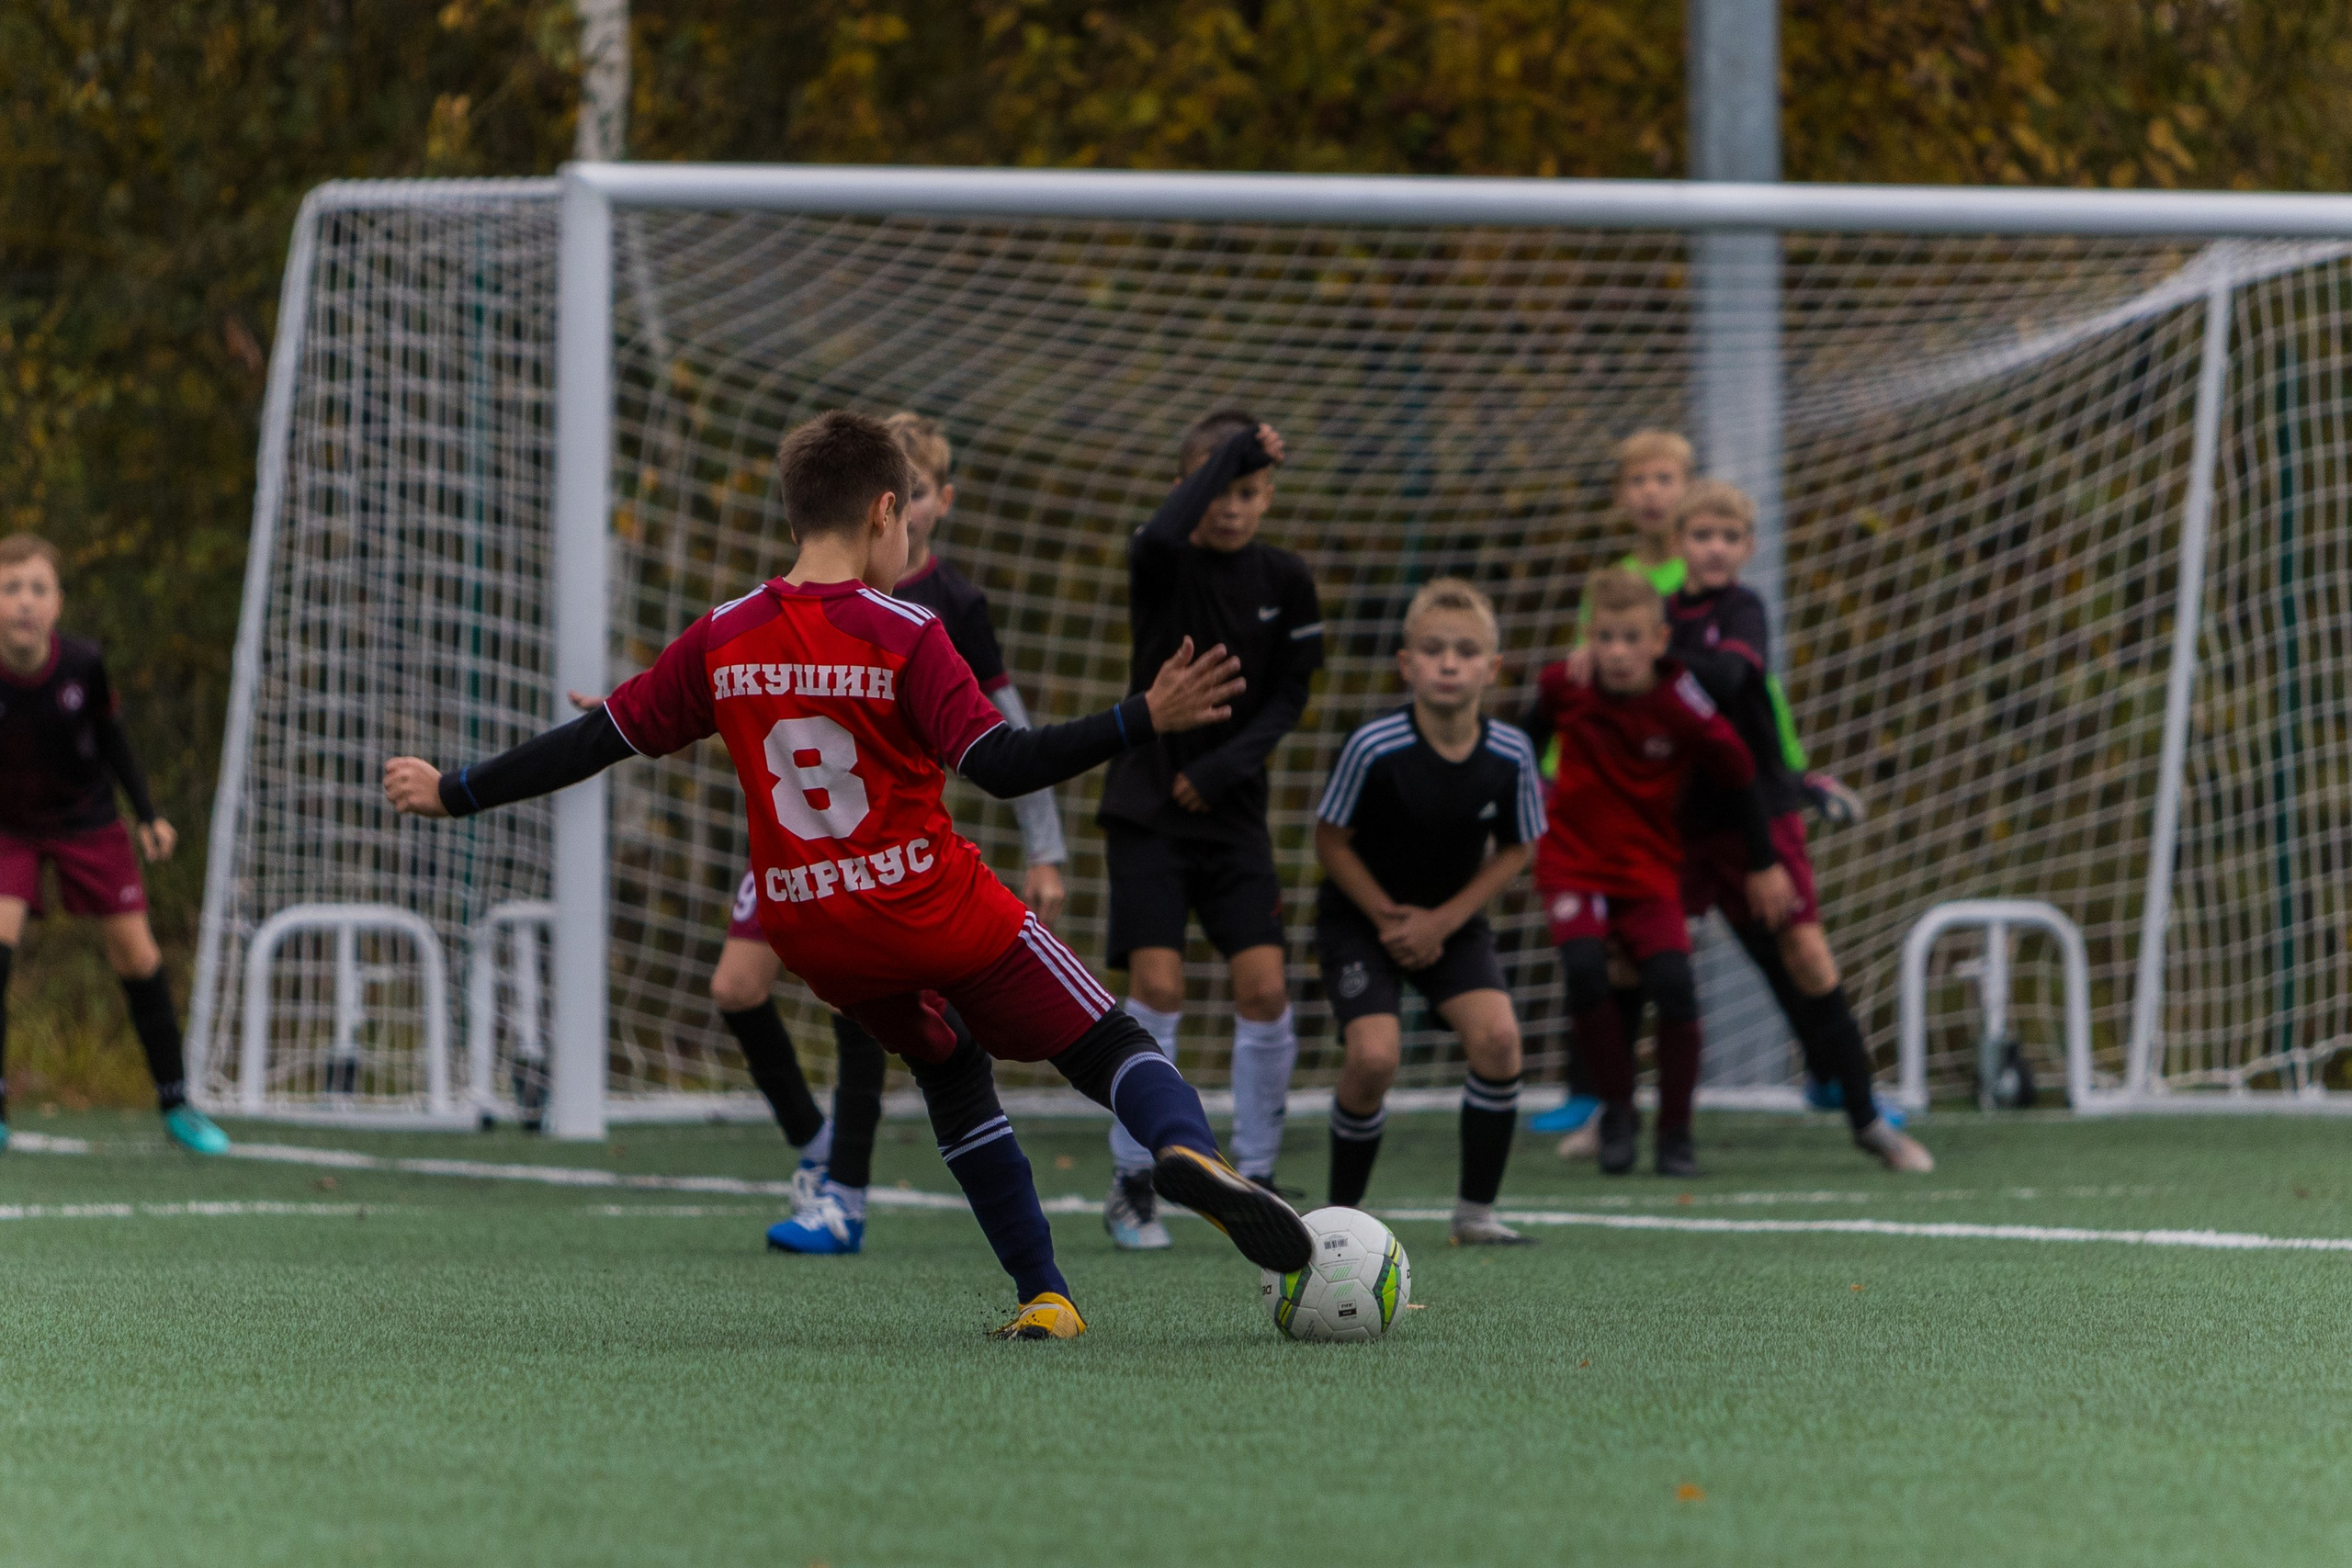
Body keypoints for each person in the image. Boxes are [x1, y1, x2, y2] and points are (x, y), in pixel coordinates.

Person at [387, 411, 1310, 1339]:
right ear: (883, 511)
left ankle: (1047, 1297)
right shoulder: (907, 633)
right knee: (1110, 1045)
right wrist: (1139, 715)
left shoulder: (720, 637)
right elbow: (1003, 763)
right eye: (906, 520)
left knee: (950, 1072)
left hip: (812, 935)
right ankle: (1187, 1151)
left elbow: (591, 742)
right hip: (929, 905)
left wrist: (452, 789)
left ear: (793, 522)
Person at [616, 412, 1072, 1258]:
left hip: (880, 855)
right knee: (736, 986)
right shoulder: (787, 607)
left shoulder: (945, 607)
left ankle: (842, 1192)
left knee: (868, 1017)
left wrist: (1043, 845)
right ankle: (823, 1151)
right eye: (912, 495)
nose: (919, 511)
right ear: (884, 507)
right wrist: (626, 712)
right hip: (797, 849)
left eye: (932, 492)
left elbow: (1005, 735)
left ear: (937, 502)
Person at [1096, 412, 1322, 1248]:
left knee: (1264, 989)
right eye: (1219, 488)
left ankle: (1255, 1176)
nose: (1233, 506)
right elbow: (1162, 526)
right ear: (1190, 486)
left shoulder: (1287, 579)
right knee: (1159, 986)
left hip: (1232, 817)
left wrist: (1221, 770)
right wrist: (1237, 446)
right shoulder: (1160, 557)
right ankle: (1134, 1179)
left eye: (1251, 490)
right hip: (1147, 810)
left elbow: (1290, 697)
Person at [1666, 482, 1932, 1172]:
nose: (1716, 547)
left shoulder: (1743, 610)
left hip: (1762, 814)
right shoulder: (1660, 616)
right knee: (1642, 954)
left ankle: (1869, 1117)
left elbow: (1726, 680)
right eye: (1703, 534)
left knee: (1804, 954)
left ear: (1748, 547)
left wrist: (1654, 666)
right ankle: (1622, 1120)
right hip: (1686, 824)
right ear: (1679, 543)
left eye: (1729, 535)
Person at [1521, 568, 1791, 1178]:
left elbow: (1739, 771)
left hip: (1648, 867)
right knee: (1586, 971)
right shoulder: (1565, 684)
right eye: (1606, 637)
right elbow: (1520, 744)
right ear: (1589, 636)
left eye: (1631, 638)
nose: (1617, 652)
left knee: (1674, 985)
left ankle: (1676, 1132)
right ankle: (1617, 1112)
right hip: (1574, 862)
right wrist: (1523, 811)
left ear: (1659, 640)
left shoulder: (1680, 699)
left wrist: (1762, 860)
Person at [1314, 580, 1545, 1244]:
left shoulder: (1511, 753)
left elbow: (1518, 846)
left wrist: (1441, 921)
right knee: (1375, 1057)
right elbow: (1330, 840)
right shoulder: (1374, 746)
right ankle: (1338, 1223)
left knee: (1500, 1040)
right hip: (1363, 920)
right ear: (1406, 663)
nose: (1450, 662)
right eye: (1434, 649)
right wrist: (1389, 917)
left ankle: (1475, 1213)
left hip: (1450, 920)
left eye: (1467, 651)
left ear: (1492, 668)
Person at [0, 534, 230, 1155]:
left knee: (135, 953)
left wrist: (149, 814)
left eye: (37, 588)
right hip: (9, 827)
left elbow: (114, 741)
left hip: (87, 817)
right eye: (11, 587)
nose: (24, 600)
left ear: (57, 603)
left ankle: (177, 1100)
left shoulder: (82, 665)